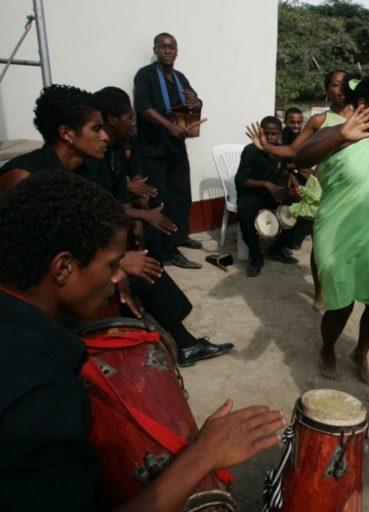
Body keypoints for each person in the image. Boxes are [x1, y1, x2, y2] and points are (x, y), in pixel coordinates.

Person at [0, 171, 285, 511]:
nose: (119, 276)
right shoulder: (43, 401)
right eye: (110, 265)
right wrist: (203, 455)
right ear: (63, 268)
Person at [0, 84, 233, 367]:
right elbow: (32, 262)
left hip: (71, 268)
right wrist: (117, 265)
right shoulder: (23, 177)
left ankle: (180, 342)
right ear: (67, 134)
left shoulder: (81, 171)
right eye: (95, 129)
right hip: (31, 291)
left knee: (145, 263)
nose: (103, 137)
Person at [294, 74, 369, 385]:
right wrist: (339, 135)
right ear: (362, 104)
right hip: (339, 234)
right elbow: (300, 156)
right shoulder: (338, 132)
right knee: (340, 304)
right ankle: (328, 348)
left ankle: (361, 352)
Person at [246, 70, 353, 312]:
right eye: (335, 85)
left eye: (345, 84)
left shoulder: (360, 117)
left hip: (351, 190)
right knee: (322, 245)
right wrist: (266, 147)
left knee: (347, 244)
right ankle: (319, 291)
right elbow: (294, 150)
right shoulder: (319, 121)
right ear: (327, 90)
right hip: (323, 191)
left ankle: (342, 287)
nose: (341, 89)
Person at [133, 32, 203, 268]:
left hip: (176, 147)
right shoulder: (145, 75)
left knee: (182, 194)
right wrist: (168, 126)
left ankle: (181, 236)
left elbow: (194, 103)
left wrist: (196, 102)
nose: (167, 51)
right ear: (155, 49)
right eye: (163, 47)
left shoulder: (180, 77)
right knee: (162, 197)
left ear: (177, 51)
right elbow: (143, 107)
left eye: (171, 47)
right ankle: (168, 250)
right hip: (153, 148)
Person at [235, 115, 307, 277]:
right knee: (245, 212)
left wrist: (291, 176)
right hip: (254, 193)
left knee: (304, 209)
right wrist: (267, 185)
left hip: (276, 192)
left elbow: (284, 170)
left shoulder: (281, 150)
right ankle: (256, 257)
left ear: (279, 134)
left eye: (273, 133)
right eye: (266, 133)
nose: (269, 137)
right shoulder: (250, 151)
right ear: (261, 132)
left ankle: (277, 248)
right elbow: (240, 180)